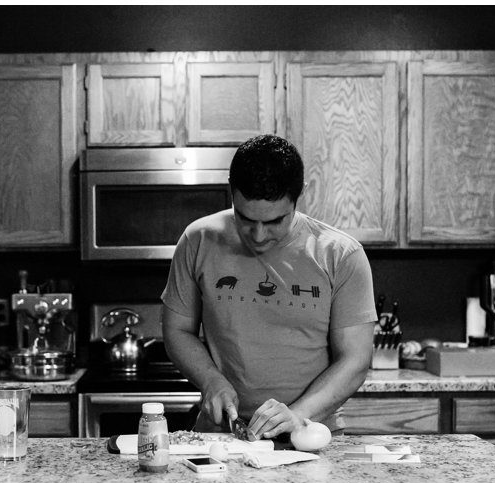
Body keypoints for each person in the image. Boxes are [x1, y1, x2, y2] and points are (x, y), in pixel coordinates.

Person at [162, 133, 378, 440]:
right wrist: (211, 380)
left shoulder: (340, 255)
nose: (259, 235)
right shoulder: (198, 240)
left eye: (275, 221)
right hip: (222, 438)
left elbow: (355, 360)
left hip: (309, 438)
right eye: (246, 218)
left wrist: (296, 415)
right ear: (231, 190)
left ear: (298, 195)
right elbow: (177, 331)